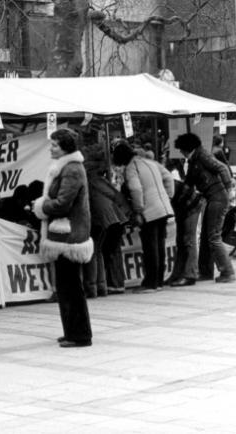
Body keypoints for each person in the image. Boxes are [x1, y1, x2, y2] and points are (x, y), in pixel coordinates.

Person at [33, 129, 94, 347]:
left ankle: (79, 334)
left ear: (66, 147)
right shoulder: (67, 167)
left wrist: (41, 207)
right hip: (64, 234)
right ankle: (72, 330)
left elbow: (62, 203)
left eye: (55, 145)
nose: (51, 148)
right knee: (66, 285)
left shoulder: (72, 169)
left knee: (70, 286)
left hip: (69, 236)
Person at [112, 141, 174, 292]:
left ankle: (150, 283)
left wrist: (138, 209)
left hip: (150, 211)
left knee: (150, 246)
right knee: (159, 244)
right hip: (164, 208)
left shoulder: (132, 168)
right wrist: (167, 197)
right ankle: (159, 281)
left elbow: (136, 189)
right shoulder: (151, 162)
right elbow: (169, 178)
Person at [174, 133, 236, 283]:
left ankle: (227, 272)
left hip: (218, 198)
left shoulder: (202, 155)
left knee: (214, 237)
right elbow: (189, 182)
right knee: (206, 237)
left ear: (187, 148)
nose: (181, 153)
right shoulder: (194, 159)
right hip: (212, 199)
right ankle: (206, 272)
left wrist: (228, 189)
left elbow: (222, 168)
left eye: (181, 150)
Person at [84, 158, 129, 296]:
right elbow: (116, 196)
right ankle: (111, 285)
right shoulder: (100, 181)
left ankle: (104, 285)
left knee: (100, 252)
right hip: (115, 218)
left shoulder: (90, 181)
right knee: (109, 252)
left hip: (105, 220)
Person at [165, 159, 204, 287]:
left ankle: (190, 274)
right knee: (181, 240)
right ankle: (178, 274)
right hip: (184, 204)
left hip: (190, 204)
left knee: (188, 240)